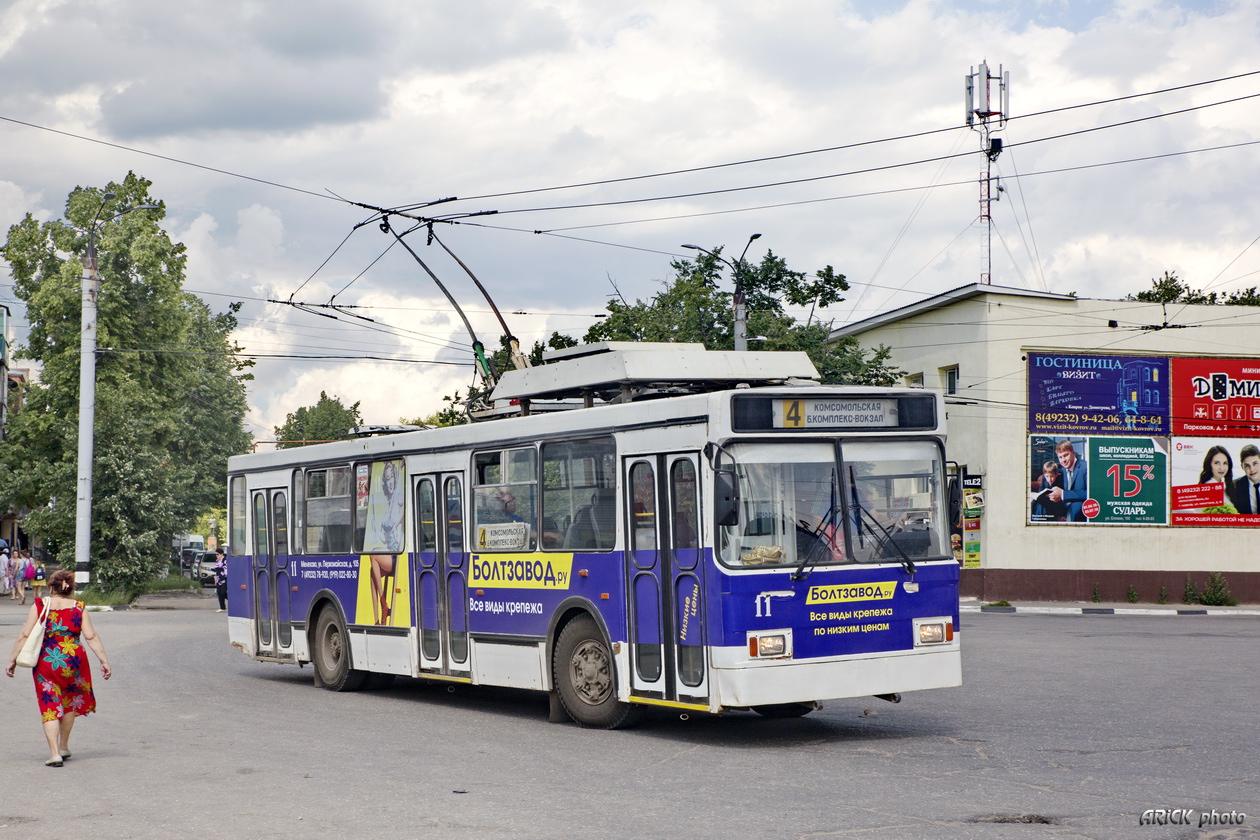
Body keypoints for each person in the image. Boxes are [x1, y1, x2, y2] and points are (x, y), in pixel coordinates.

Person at [5, 569, 111, 767]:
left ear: (50, 586)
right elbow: (91, 636)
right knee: (68, 701)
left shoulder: (40, 605)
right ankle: (64, 746)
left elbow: (25, 635)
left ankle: (54, 753)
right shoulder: (79, 607)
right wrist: (104, 660)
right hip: (74, 661)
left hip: (47, 661)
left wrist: (13, 659)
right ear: (70, 588)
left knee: (50, 705)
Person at [1045, 439, 1088, 522]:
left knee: (1076, 507)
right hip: (1063, 506)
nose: (1063, 460)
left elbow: (1090, 493)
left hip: (1078, 507)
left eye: (1066, 455)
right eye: (1060, 457)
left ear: (1073, 452)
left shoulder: (1085, 468)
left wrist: (1063, 494)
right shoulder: (1062, 471)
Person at [1230, 444, 1260, 515]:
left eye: (1255, 463)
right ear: (1242, 467)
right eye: (1247, 465)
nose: (1252, 469)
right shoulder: (1235, 486)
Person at [212, 547, 228, 612]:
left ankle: (233, 601)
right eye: (216, 554)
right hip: (218, 579)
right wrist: (215, 577)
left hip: (225, 578)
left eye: (218, 554)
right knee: (219, 593)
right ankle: (222, 607)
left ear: (222, 554)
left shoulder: (225, 560)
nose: (216, 556)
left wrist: (225, 576)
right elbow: (216, 570)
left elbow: (226, 569)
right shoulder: (217, 561)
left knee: (223, 592)